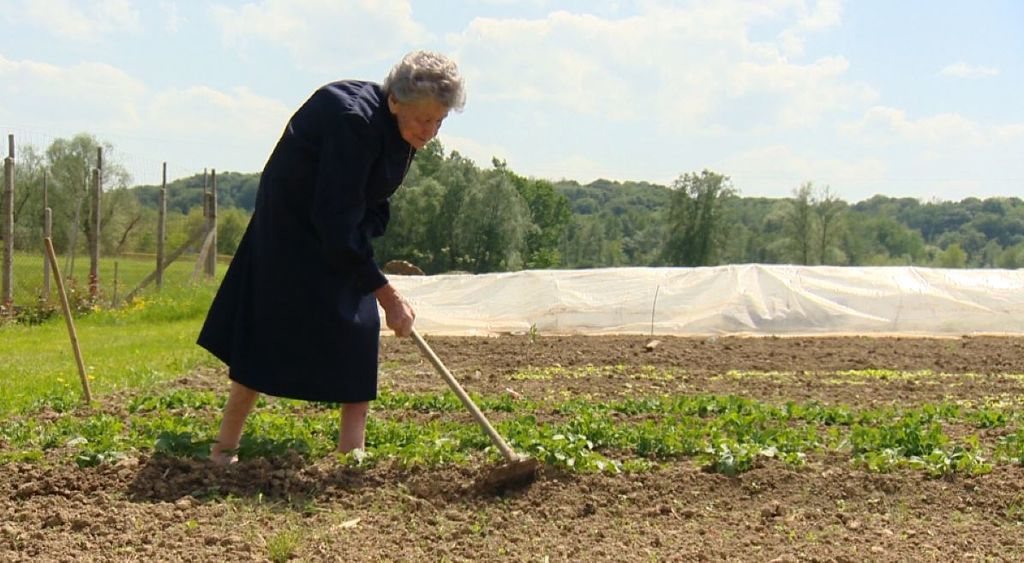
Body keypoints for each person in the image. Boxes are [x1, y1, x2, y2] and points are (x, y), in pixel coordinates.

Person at [197, 51, 466, 464]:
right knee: (266, 329)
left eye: (438, 121)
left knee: (359, 328)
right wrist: (388, 293)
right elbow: (333, 216)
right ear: (394, 100)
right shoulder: (352, 122)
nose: (430, 131)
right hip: (290, 229)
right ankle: (224, 448)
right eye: (423, 119)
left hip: (337, 225)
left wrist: (367, 249)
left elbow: (370, 197)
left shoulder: (401, 130)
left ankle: (350, 454)